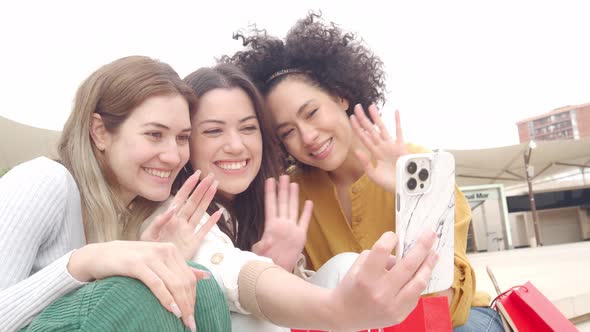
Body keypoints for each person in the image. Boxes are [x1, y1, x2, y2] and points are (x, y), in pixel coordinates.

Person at [223, 13, 503, 331]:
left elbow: (449, 297)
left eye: (312, 112)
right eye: (287, 131)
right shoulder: (291, 196)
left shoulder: (417, 166)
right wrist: (279, 268)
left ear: (340, 95)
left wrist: (414, 199)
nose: (308, 136)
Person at [141, 63, 441, 331]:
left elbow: (441, 284)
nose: (235, 145)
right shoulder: (174, 214)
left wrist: (410, 190)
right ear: (186, 139)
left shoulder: (272, 202)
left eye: (248, 128)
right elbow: (232, 274)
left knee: (346, 266)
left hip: (428, 313)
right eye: (213, 131)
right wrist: (275, 273)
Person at [0, 56, 229, 332]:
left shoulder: (133, 216)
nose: (173, 156)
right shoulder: (43, 181)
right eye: (155, 134)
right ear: (99, 132)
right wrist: (83, 263)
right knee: (135, 293)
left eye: (182, 138)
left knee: (199, 289)